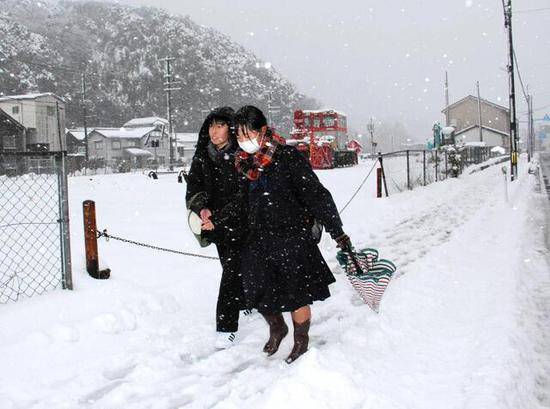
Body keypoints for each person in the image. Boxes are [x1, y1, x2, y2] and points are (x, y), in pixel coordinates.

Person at [234, 105, 352, 363]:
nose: (244, 141)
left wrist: (337, 232)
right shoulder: (243, 164)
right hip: (258, 239)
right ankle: (277, 327)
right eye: (240, 137)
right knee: (258, 289)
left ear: (262, 130)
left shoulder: (288, 157)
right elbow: (239, 204)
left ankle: (301, 340)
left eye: (248, 134)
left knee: (297, 293)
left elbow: (316, 195)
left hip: (291, 237)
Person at [186, 107, 248, 349]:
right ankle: (245, 301)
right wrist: (201, 207)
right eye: (211, 126)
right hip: (217, 226)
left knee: (232, 271)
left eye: (220, 126)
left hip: (243, 222)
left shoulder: (242, 154)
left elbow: (244, 195)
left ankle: (226, 326)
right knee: (231, 266)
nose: (214, 131)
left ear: (231, 130)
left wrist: (220, 216)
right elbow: (193, 187)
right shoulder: (203, 156)